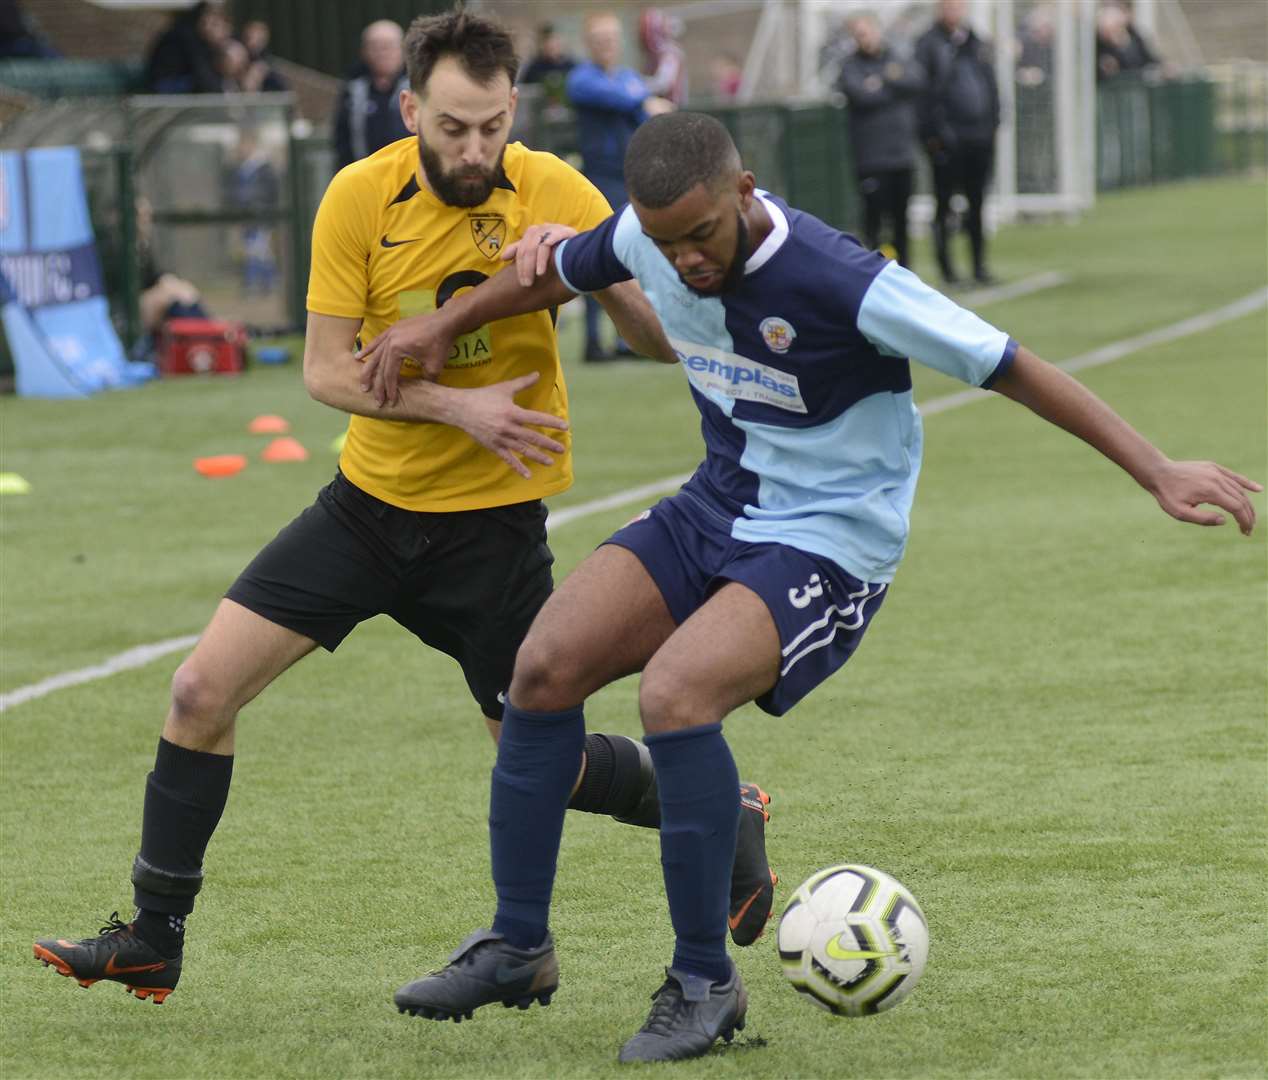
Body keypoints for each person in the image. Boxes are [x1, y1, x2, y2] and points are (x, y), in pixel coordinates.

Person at [356, 110, 1260, 1062]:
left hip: (833, 537)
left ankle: (704, 980)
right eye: (665, 243)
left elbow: (1011, 366)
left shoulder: (845, 280)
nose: (686, 262)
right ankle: (518, 947)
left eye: (701, 236)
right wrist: (439, 323)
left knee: (675, 694)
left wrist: (1155, 469)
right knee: (538, 671)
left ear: (744, 195)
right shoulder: (645, 235)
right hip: (718, 501)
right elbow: (557, 270)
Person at [31, 13, 775, 1008]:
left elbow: (655, 340)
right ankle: (153, 937)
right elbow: (324, 372)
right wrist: (453, 405)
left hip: (493, 535)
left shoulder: (555, 188)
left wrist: (594, 275)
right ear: (411, 106)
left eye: (493, 126)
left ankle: (722, 813)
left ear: (515, 110)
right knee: (199, 692)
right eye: (456, 126)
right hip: (366, 512)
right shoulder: (358, 195)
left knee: (539, 771)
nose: (475, 149)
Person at [565, 11, 672, 362]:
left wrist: (643, 101)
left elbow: (644, 111)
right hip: (600, 178)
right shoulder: (582, 78)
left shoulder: (627, 78)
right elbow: (629, 101)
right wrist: (642, 100)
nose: (606, 45)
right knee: (599, 254)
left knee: (638, 252)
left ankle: (630, 340)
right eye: (599, 39)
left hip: (632, 175)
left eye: (611, 38)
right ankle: (594, 343)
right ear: (588, 44)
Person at [915, 0, 1000, 285]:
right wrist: (933, 135)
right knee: (944, 204)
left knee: (977, 202)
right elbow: (923, 94)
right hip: (948, 140)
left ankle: (979, 265)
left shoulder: (975, 42)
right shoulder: (928, 44)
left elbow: (990, 84)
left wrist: (994, 122)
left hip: (979, 136)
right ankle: (947, 269)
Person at [836, 12, 923, 269]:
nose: (865, 38)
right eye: (859, 34)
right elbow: (861, 95)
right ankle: (872, 273)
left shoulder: (896, 58)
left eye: (868, 31)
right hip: (871, 158)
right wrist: (891, 81)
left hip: (901, 155)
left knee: (901, 220)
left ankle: (906, 272)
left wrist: (882, 81)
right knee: (873, 220)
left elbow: (915, 80)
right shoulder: (850, 66)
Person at [333, 20, 411, 170]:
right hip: (364, 176)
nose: (382, 53)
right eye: (375, 47)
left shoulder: (418, 88)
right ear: (364, 51)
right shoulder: (352, 90)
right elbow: (341, 139)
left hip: (409, 178)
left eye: (388, 46)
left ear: (403, 50)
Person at [143, 0, 229, 95]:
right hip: (166, 86)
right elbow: (202, 75)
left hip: (174, 84)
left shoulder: (194, 36)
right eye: (213, 22)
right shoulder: (186, 36)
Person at [638, 8, 687, 107]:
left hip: (672, 109)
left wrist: (636, 83)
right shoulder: (654, 56)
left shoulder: (669, 53)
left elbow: (662, 84)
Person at [518, 21, 576, 105]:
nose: (552, 46)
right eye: (548, 42)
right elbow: (525, 90)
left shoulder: (571, 65)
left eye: (555, 41)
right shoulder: (534, 67)